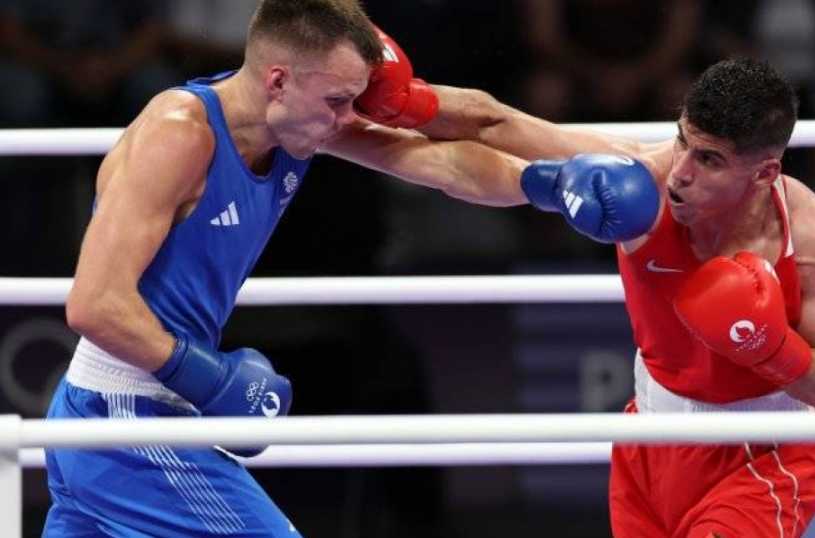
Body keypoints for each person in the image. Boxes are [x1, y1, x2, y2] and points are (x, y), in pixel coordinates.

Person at [42, 0, 543, 535]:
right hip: (123, 415)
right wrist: (212, 381)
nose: (349, 117)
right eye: (338, 100)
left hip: (120, 415)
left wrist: (553, 182)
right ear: (278, 81)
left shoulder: (298, 126)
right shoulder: (180, 134)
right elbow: (94, 304)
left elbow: (443, 163)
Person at [422, 58, 815, 537]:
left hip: (766, 455)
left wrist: (773, 350)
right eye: (682, 141)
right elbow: (494, 123)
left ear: (764, 173)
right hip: (652, 437)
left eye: (710, 159)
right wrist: (387, 105)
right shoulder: (642, 180)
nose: (680, 173)